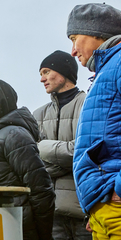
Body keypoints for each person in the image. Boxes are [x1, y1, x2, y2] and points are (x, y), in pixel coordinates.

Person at [0, 78, 55, 240]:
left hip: (19, 228)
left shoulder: (14, 135)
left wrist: (43, 234)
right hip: (1, 226)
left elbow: (40, 189)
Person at [67, 3, 121, 238]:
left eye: (74, 38)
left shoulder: (118, 64)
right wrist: (95, 208)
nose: (72, 51)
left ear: (97, 32)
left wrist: (116, 192)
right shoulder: (107, 71)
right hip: (103, 209)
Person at [33, 50, 90, 239]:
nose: (42, 79)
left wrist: (43, 148)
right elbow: (34, 163)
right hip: (52, 213)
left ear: (65, 72)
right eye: (41, 74)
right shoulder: (38, 115)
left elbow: (84, 153)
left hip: (86, 212)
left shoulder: (88, 104)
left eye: (47, 71)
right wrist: (67, 162)